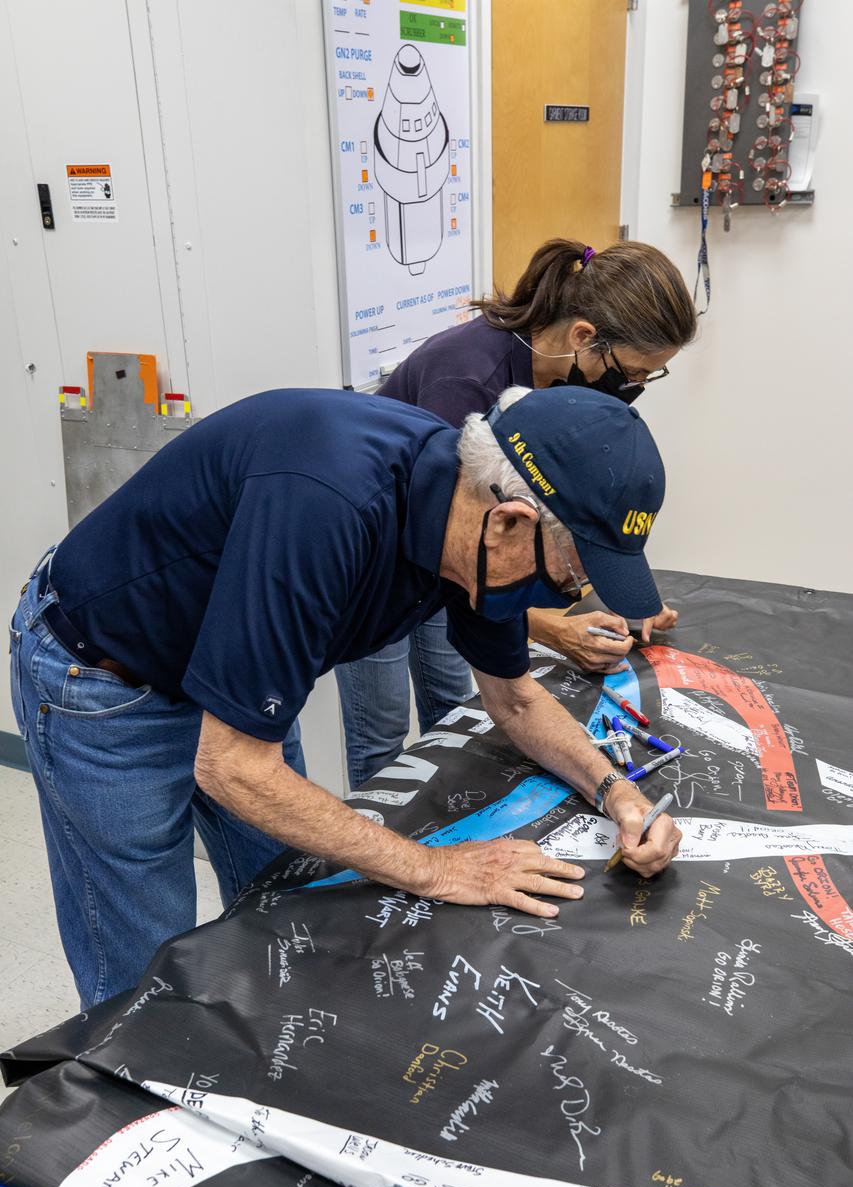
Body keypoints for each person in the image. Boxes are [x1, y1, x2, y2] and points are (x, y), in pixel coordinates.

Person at [9, 382, 681, 1008]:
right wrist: (430, 868)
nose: (567, 598)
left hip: (223, 675)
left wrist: (615, 792)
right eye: (570, 575)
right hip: (104, 679)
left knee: (285, 904)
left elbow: (515, 700)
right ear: (507, 522)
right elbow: (236, 767)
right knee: (145, 978)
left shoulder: (469, 524)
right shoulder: (326, 507)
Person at [336, 237, 697, 789]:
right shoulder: (466, 382)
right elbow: (469, 559)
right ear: (584, 338)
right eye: (636, 373)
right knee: (384, 735)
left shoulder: (562, 386)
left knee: (456, 712)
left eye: (651, 377)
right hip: (378, 561)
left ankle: (450, 817)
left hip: (452, 555)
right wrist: (554, 629)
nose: (636, 388)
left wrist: (615, 587)